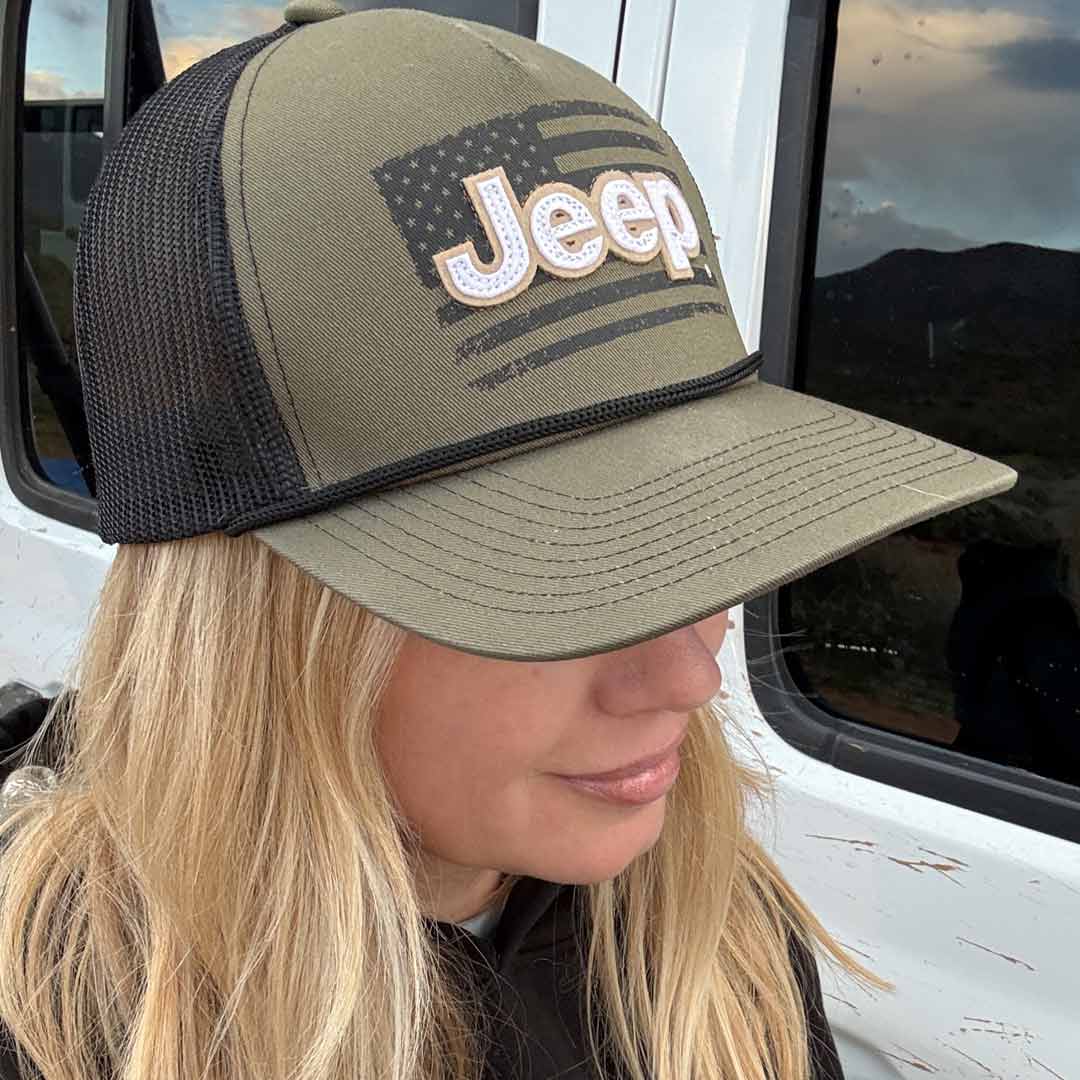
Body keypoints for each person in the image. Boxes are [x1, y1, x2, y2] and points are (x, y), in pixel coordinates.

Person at [0, 3, 1016, 1079]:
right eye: (568, 579)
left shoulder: (715, 947)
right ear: (266, 616)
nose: (688, 671)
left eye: (707, 542)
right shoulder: (57, 1022)